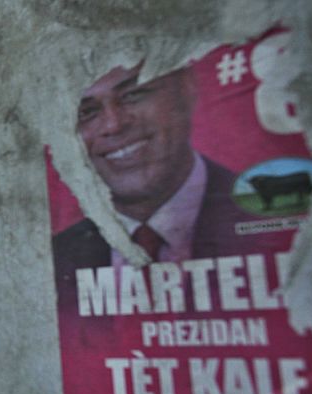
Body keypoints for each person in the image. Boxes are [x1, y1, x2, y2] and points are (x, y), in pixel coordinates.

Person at [52, 64, 256, 274]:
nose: (113, 125)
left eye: (133, 95)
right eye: (86, 112)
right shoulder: (55, 259)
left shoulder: (270, 222)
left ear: (186, 87)